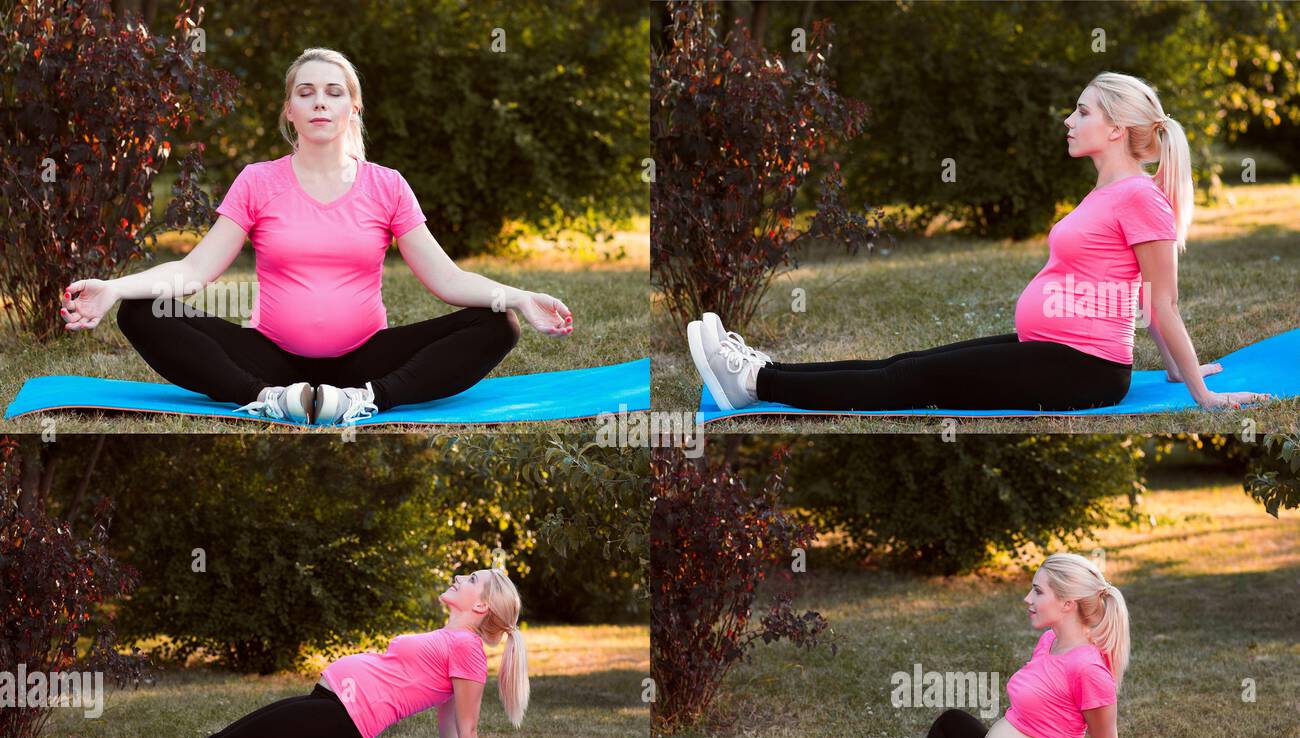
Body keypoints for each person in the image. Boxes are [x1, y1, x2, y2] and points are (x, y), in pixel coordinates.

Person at [688, 72, 1272, 414]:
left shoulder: (1140, 198)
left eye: (1081, 111)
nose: (1069, 120)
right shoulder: (1109, 192)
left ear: (1115, 128)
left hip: (1081, 370)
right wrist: (1171, 372)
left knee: (907, 385)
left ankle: (752, 384)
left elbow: (1161, 300)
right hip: (1053, 351)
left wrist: (1199, 392)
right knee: (906, 363)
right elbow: (1141, 298)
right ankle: (766, 369)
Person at [59, 47, 573, 425]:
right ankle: (264, 398)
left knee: (499, 324)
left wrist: (523, 297)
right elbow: (193, 271)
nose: (320, 103)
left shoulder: (387, 185)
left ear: (354, 108)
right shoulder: (258, 180)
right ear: (290, 111)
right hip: (269, 358)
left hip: (365, 358)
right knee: (142, 311)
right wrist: (116, 287)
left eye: (334, 93)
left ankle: (369, 399)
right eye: (305, 93)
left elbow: (447, 279)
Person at [42, 568, 536, 738]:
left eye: (471, 579)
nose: (459, 577)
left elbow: (465, 727)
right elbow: (445, 721)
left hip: (340, 725)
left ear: (481, 606)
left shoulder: (468, 650)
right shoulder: (450, 639)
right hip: (330, 710)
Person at [835, 553, 1196, 738]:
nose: (1028, 599)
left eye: (1038, 591)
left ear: (1069, 603)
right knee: (953, 722)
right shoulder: (1050, 642)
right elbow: (1027, 716)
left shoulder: (1089, 670)